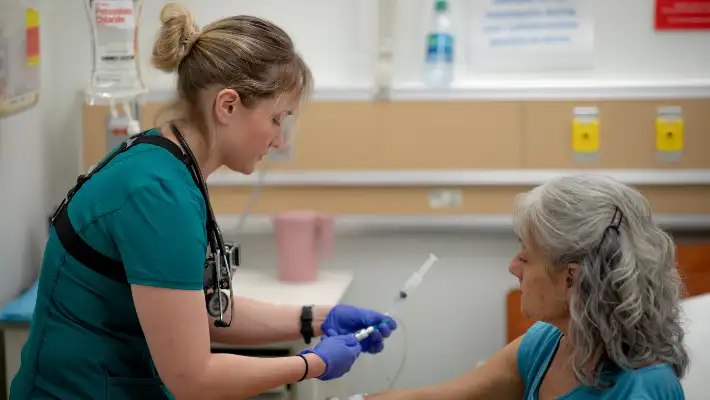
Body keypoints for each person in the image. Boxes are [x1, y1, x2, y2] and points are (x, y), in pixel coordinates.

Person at [9, 3, 396, 399]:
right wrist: (314, 364)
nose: (279, 139)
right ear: (227, 106)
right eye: (277, 119)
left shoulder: (165, 164)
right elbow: (193, 377)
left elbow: (198, 312)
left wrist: (318, 318)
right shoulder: (157, 194)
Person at [364, 174, 688, 400]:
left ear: (571, 279)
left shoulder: (642, 389)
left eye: (527, 258)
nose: (513, 267)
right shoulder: (549, 342)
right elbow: (442, 397)